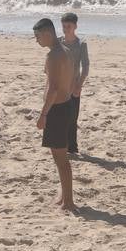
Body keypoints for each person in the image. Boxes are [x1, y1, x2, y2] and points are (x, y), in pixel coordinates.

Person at [34, 18, 76, 210]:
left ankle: (68, 201)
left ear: (48, 33)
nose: (37, 41)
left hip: (57, 110)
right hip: (66, 106)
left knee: (60, 157)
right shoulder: (65, 51)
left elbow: (53, 88)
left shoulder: (53, 56)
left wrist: (43, 114)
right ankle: (64, 196)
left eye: (38, 36)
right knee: (60, 156)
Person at [60, 12, 90, 157]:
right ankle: (61, 145)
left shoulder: (81, 44)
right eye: (64, 26)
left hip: (73, 87)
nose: (66, 29)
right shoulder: (58, 42)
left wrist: (79, 85)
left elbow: (85, 67)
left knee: (72, 118)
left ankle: (72, 147)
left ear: (75, 26)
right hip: (60, 86)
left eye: (69, 26)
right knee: (60, 117)